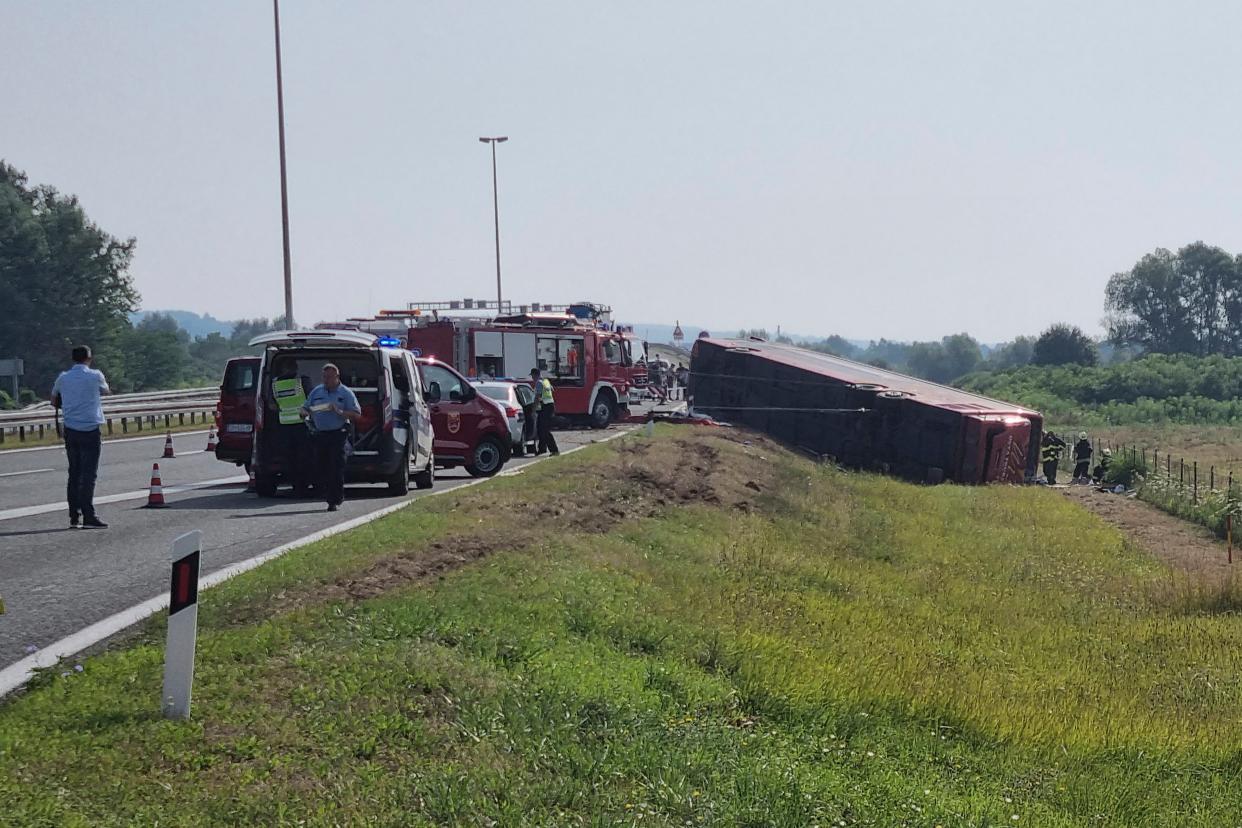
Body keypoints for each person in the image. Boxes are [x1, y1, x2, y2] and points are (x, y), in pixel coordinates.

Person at [51, 345, 111, 528]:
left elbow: (54, 400)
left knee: (74, 473)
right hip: (91, 428)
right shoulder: (95, 375)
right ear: (89, 358)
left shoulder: (63, 378)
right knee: (89, 474)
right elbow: (106, 391)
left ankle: (74, 516)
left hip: (71, 429)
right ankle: (89, 515)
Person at [300, 363, 361, 511]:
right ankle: (325, 492)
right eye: (324, 377)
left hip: (338, 434)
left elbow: (357, 415)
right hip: (320, 434)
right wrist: (303, 412)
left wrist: (339, 411)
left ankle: (334, 499)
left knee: (336, 466)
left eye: (329, 377)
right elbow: (306, 407)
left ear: (337, 377)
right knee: (322, 466)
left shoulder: (345, 393)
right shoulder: (317, 391)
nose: (326, 380)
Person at [271, 356, 312, 494]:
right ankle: (302, 485)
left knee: (290, 459)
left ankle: (295, 484)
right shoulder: (302, 381)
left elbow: (272, 405)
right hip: (302, 424)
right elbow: (312, 399)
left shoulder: (274, 383)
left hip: (284, 425)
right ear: (295, 368)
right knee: (304, 457)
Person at [530, 367, 559, 456]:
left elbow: (538, 397)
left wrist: (533, 410)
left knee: (545, 430)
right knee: (540, 429)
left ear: (535, 375)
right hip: (548, 406)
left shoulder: (539, 383)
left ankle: (554, 450)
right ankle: (542, 449)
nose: (532, 378)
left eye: (532, 376)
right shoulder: (546, 381)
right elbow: (552, 390)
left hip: (546, 407)